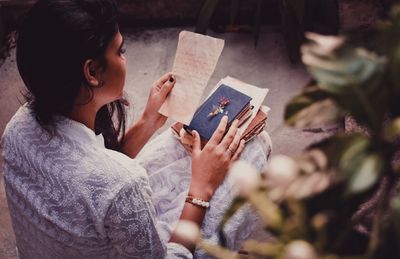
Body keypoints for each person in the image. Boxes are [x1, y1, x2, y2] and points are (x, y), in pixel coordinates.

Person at [1, 0, 271, 258]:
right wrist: (202, 188)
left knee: (179, 147)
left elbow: (93, 178)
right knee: (253, 147)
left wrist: (148, 121)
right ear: (92, 72)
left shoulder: (17, 129)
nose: (124, 59)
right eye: (120, 51)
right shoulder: (122, 183)